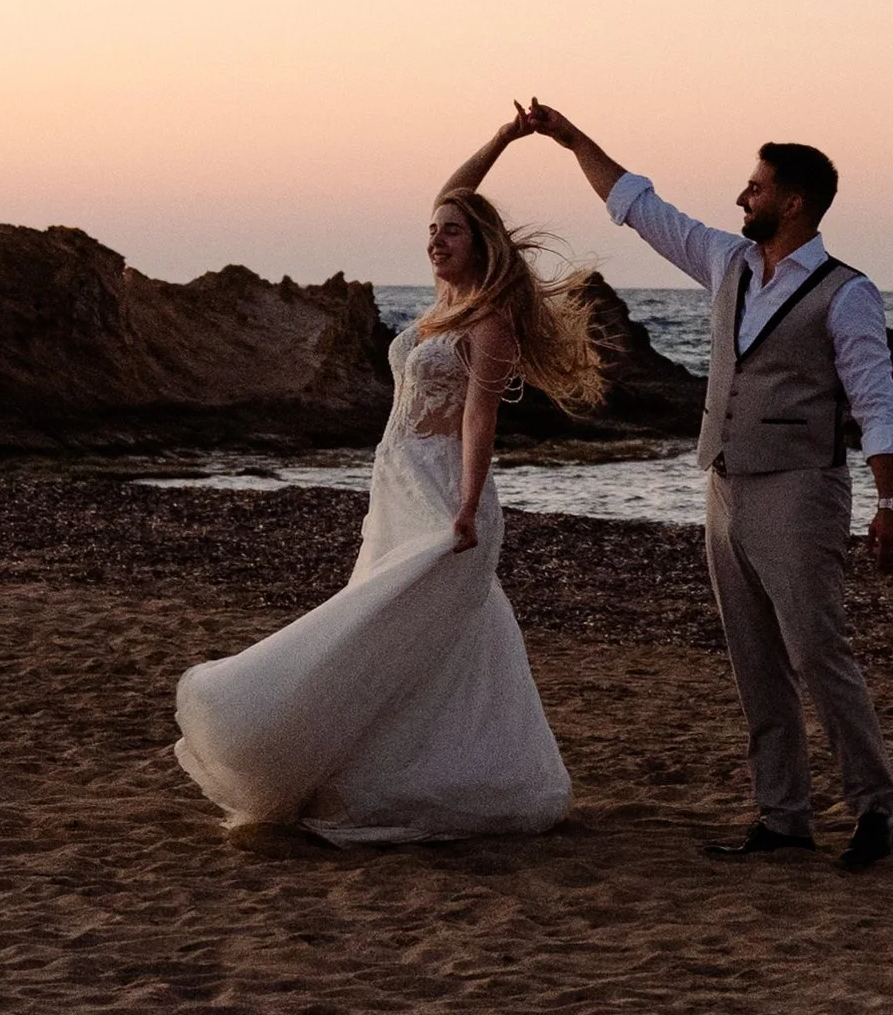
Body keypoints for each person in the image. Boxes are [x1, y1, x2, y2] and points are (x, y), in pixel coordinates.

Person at [173, 116, 604, 844]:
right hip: (395, 489)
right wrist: (503, 138)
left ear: (481, 244)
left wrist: (467, 507)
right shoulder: (446, 307)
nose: (436, 240)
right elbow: (455, 188)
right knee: (395, 630)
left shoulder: (490, 321)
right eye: (433, 230)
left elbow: (477, 420)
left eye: (452, 232)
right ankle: (370, 765)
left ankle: (438, 778)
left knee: (406, 629)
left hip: (442, 493)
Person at [521, 104, 893, 870]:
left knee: (818, 653)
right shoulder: (727, 262)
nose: (742, 197)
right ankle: (784, 817)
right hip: (725, 484)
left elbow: (876, 400)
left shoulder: (847, 292)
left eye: (755, 187)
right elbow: (640, 206)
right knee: (754, 660)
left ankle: (875, 811)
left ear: (792, 203)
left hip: (802, 489)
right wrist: (571, 141)